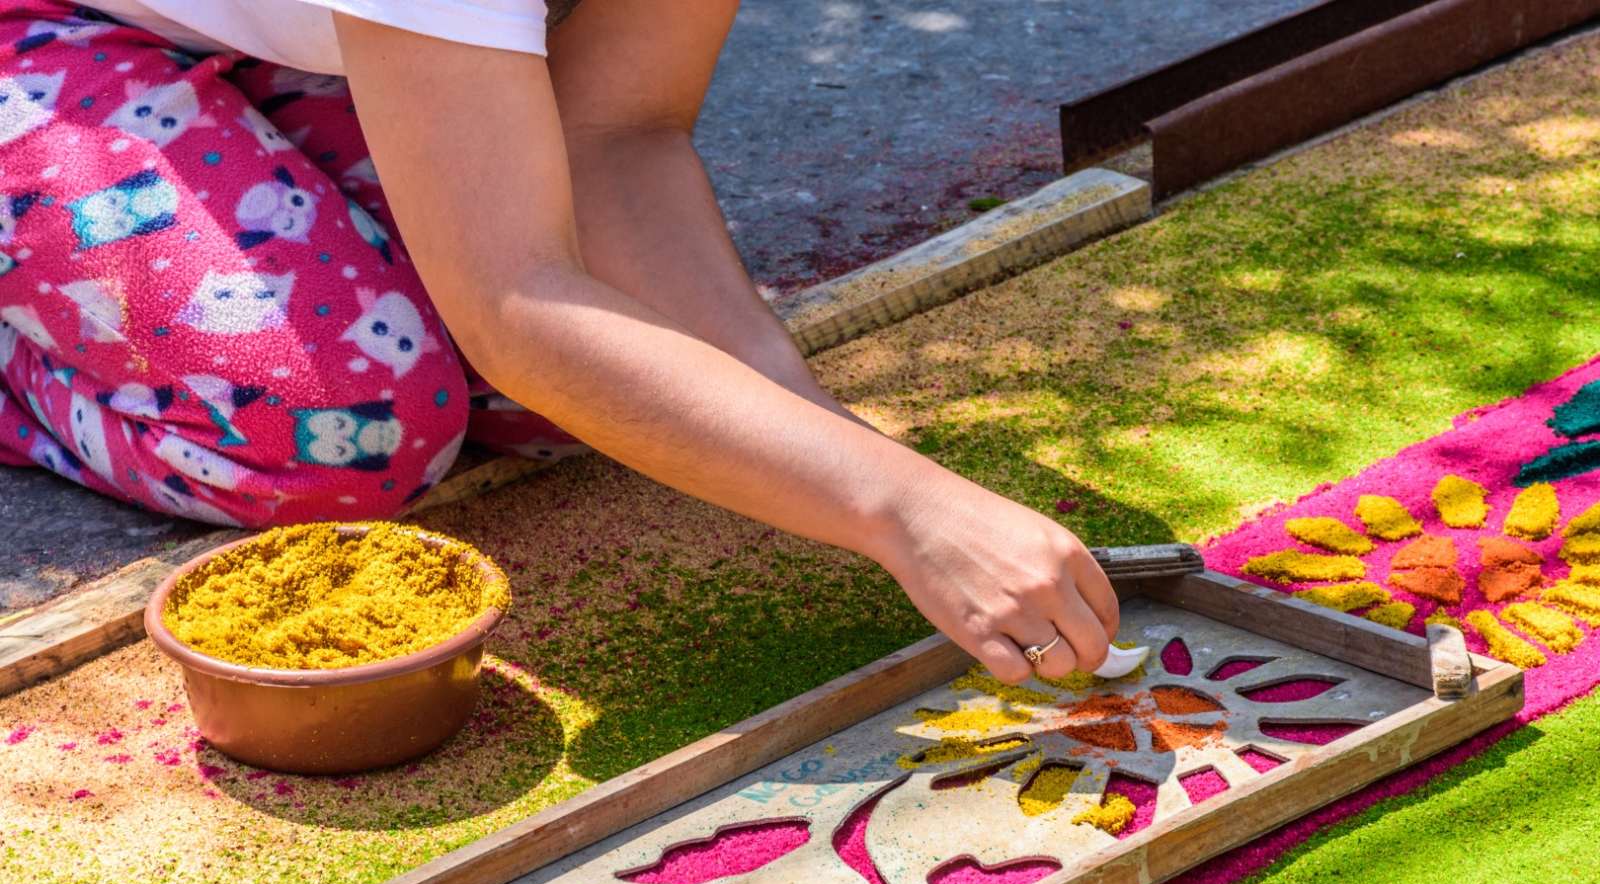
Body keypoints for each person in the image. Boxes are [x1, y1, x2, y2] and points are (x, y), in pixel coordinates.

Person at [0, 0, 1118, 684]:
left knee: (645, 384)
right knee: (339, 429)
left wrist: (837, 452)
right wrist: (903, 509)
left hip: (246, 32)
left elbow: (617, 136)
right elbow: (515, 300)